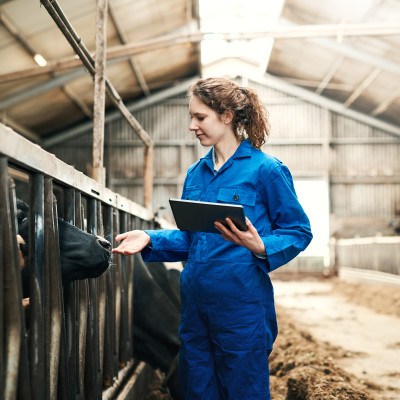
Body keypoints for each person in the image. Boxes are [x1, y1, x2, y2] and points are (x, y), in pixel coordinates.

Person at [112, 77, 313, 399]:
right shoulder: (196, 173)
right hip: (194, 305)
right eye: (191, 117)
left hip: (241, 304)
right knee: (198, 390)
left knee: (243, 390)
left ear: (227, 116)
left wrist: (262, 246)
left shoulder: (265, 170)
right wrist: (150, 238)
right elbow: (194, 241)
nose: (192, 126)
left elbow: (298, 230)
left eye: (200, 117)